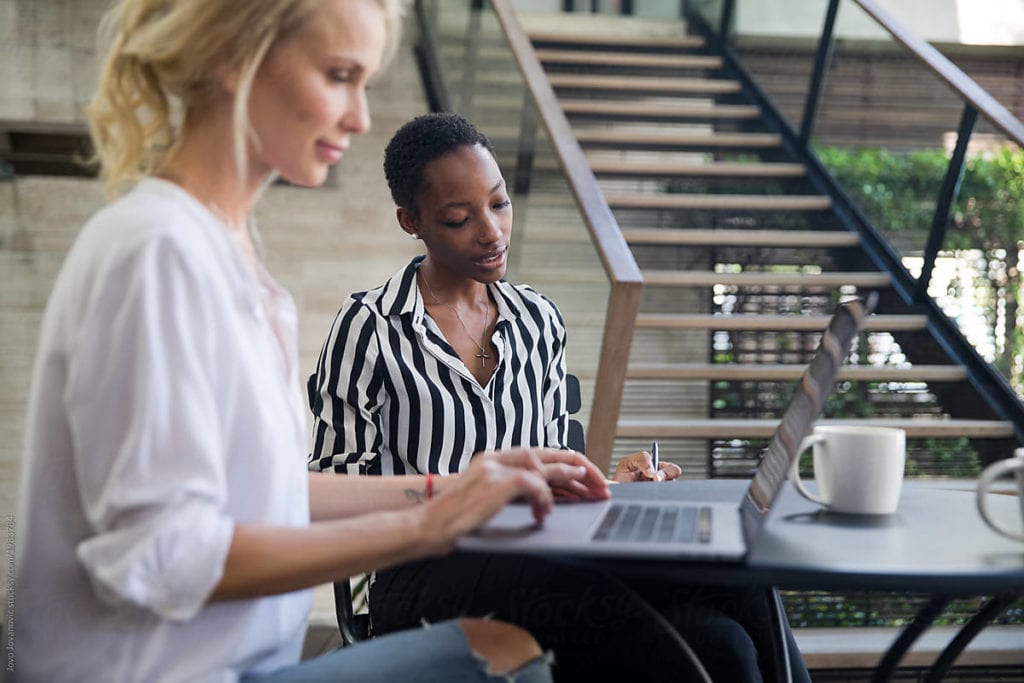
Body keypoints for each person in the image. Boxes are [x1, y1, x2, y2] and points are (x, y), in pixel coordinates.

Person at [12, 3, 614, 681]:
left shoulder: (229, 253)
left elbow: (270, 493)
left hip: (246, 662)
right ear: (234, 59)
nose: (359, 117)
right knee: (519, 653)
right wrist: (428, 527)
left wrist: (460, 487)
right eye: (339, 76)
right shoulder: (156, 252)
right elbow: (165, 554)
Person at [308, 112, 813, 682]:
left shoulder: (538, 320)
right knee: (717, 580)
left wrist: (609, 486)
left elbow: (545, 468)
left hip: (538, 558)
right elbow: (333, 493)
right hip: (423, 575)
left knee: (725, 638)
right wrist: (450, 501)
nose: (491, 231)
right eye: (458, 218)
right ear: (412, 221)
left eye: (499, 204)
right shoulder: (369, 327)